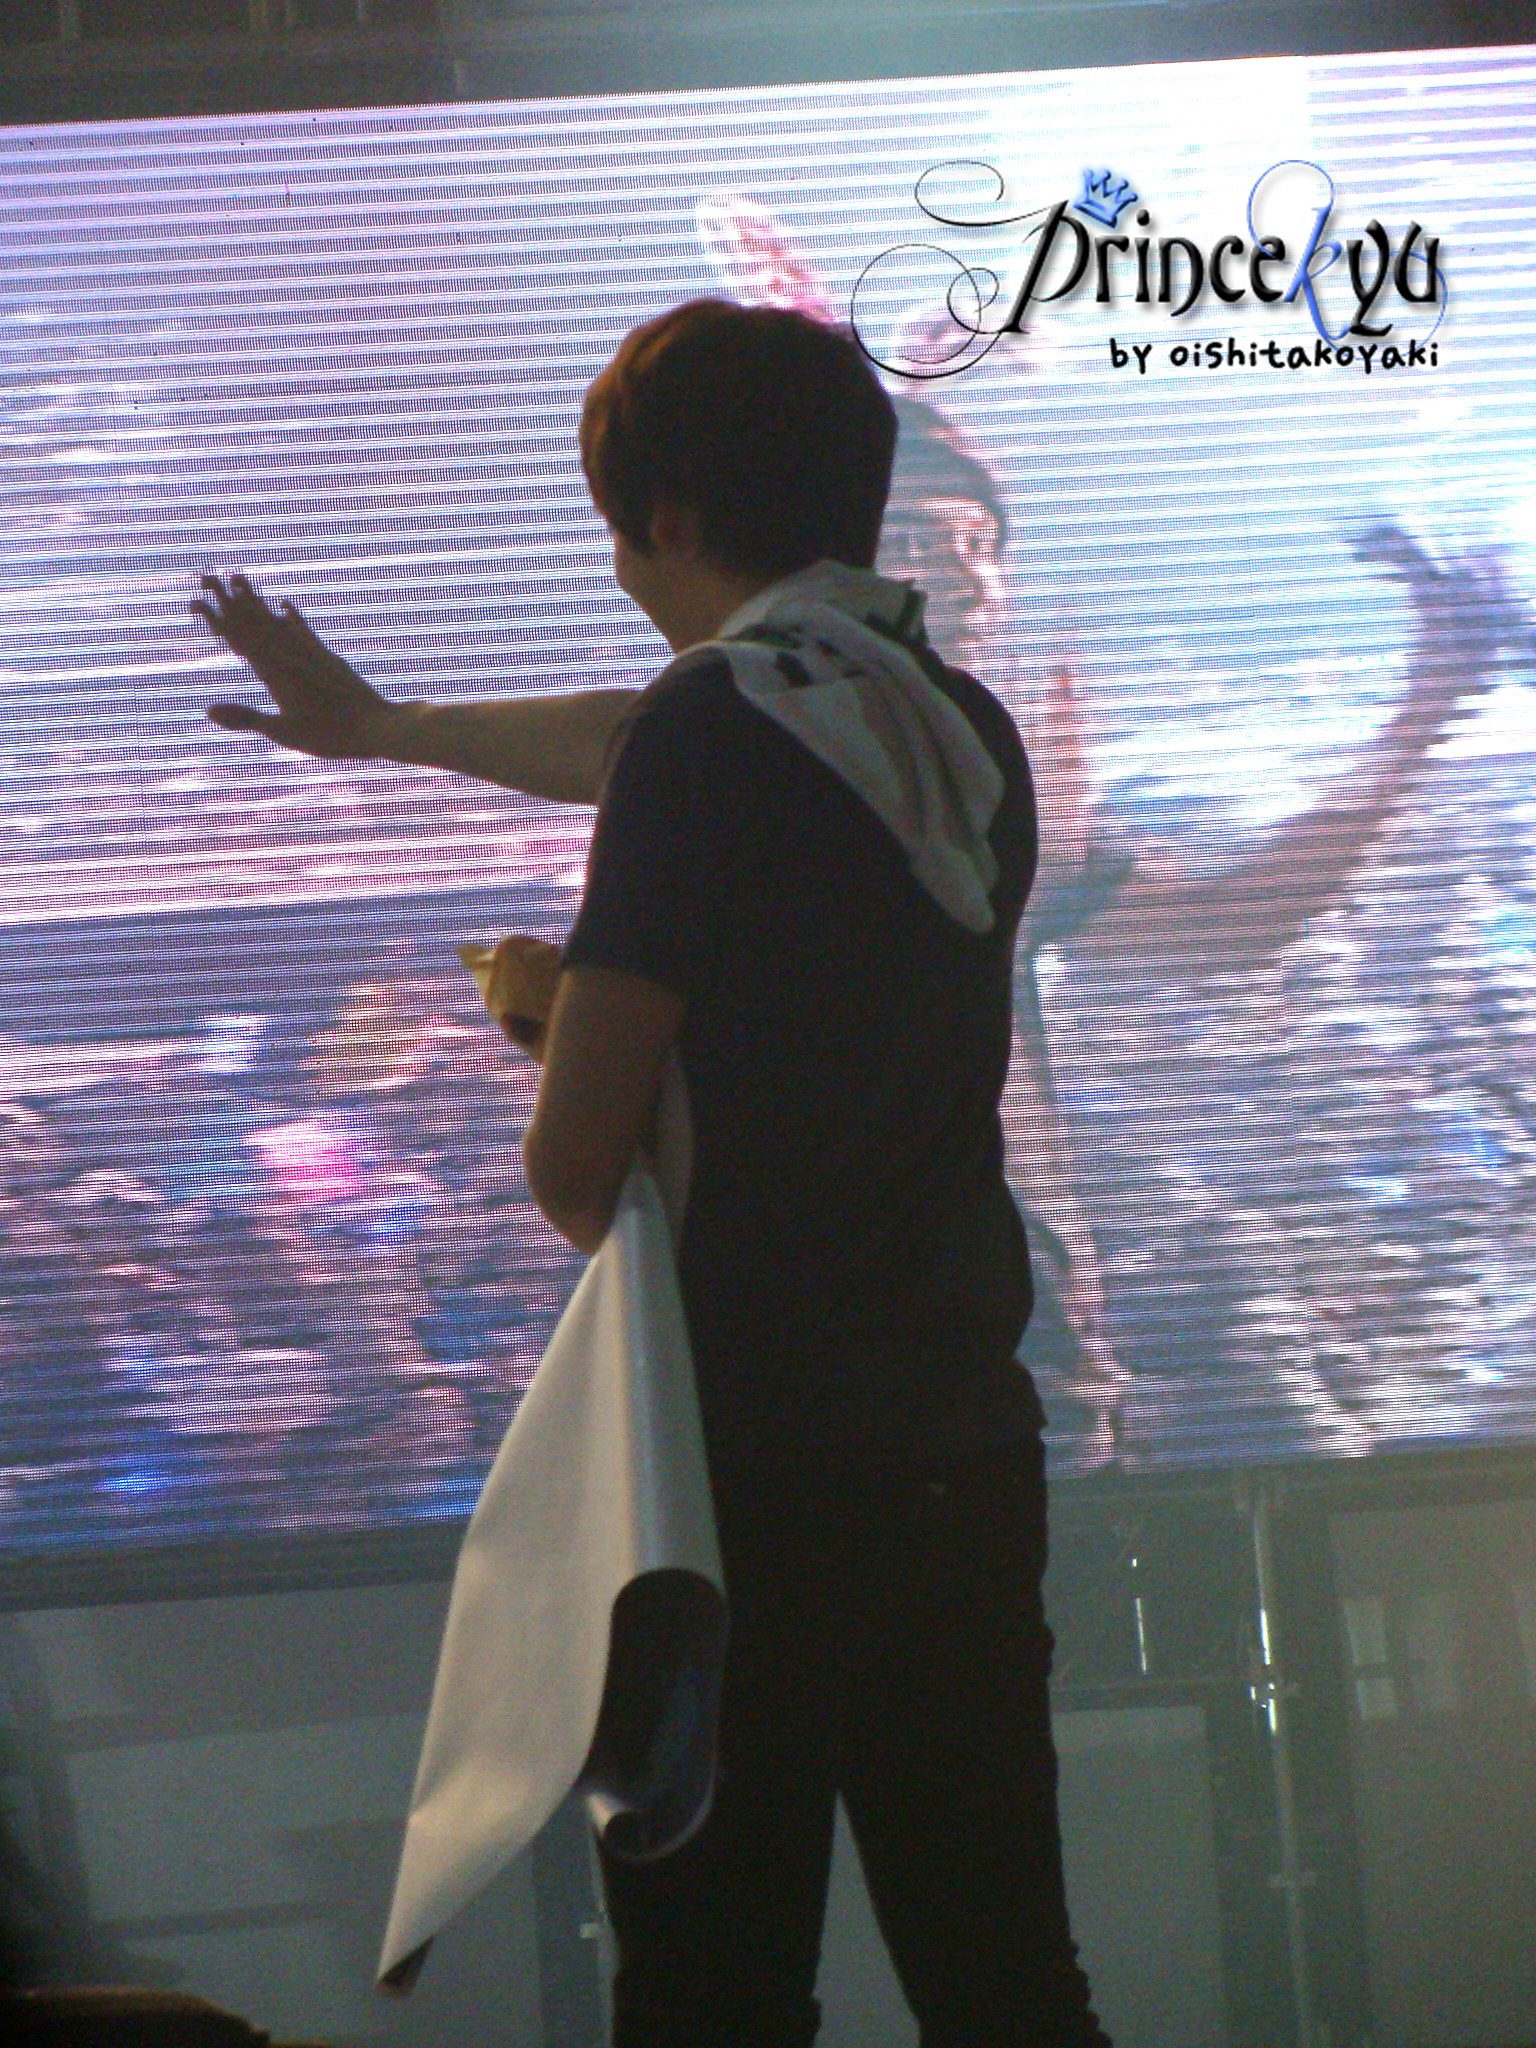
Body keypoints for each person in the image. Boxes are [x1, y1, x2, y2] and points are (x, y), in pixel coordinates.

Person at [193, 297, 1112, 2047]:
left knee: (713, 1996)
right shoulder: (954, 726)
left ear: (665, 521)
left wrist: (543, 1014)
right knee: (1008, 1984)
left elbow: (576, 1170)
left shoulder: (714, 735)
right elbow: (659, 734)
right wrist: (389, 727)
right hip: (958, 1454)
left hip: (733, 1489)